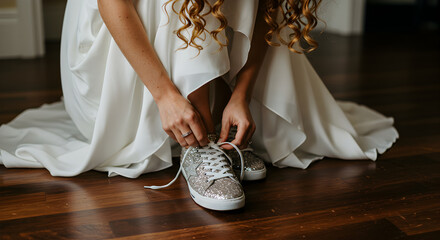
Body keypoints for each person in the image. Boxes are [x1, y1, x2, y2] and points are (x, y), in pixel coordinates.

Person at [0, 0, 398, 211]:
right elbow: (113, 4)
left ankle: (225, 123)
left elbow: (265, 9)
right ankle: (199, 143)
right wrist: (164, 96)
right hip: (115, 53)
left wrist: (242, 93)